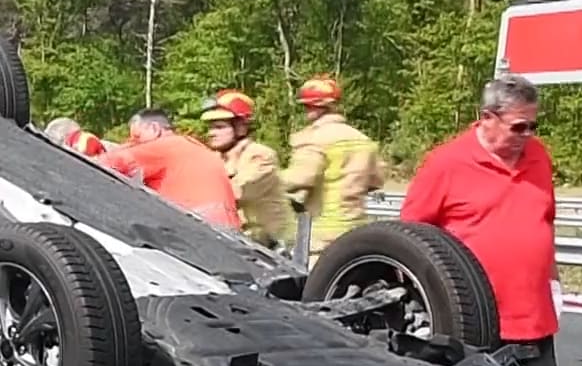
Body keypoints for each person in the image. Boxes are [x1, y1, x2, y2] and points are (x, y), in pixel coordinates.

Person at [399, 74, 561, 366]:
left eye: (533, 126)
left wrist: (554, 280)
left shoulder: (538, 156)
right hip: (474, 318)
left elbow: (545, 221)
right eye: (519, 127)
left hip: (533, 317)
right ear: (488, 117)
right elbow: (411, 238)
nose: (527, 136)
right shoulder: (447, 163)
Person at [281, 76, 385, 258]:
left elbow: (301, 177)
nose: (306, 111)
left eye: (307, 106)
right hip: (356, 229)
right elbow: (377, 180)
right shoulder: (362, 139)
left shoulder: (315, 138)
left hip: (322, 234)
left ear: (316, 107)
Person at [96, 109, 241, 229]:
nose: (133, 143)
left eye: (137, 137)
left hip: (200, 228)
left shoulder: (164, 146)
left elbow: (108, 163)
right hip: (228, 230)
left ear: (154, 128)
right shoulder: (194, 148)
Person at [199, 90, 295, 249]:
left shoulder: (260, 156)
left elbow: (236, 192)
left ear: (241, 128)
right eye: (210, 128)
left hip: (276, 247)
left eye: (219, 127)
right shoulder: (217, 158)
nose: (211, 133)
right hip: (244, 243)